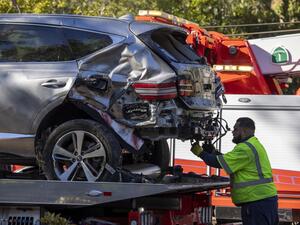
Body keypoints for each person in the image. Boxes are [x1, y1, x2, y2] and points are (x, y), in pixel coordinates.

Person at [191, 117, 279, 225]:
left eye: (235, 129)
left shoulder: (245, 148)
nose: (232, 132)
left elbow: (219, 163)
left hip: (257, 202)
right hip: (263, 200)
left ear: (244, 130)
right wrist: (213, 151)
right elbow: (228, 161)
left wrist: (200, 153)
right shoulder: (253, 144)